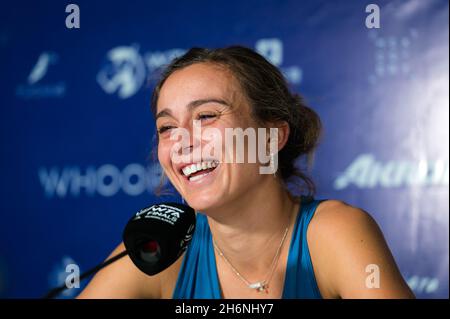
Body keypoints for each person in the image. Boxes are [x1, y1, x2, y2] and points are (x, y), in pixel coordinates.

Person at [78, 46, 415, 299]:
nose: (180, 142)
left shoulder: (333, 232)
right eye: (166, 127)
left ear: (271, 137)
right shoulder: (163, 250)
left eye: (207, 116)